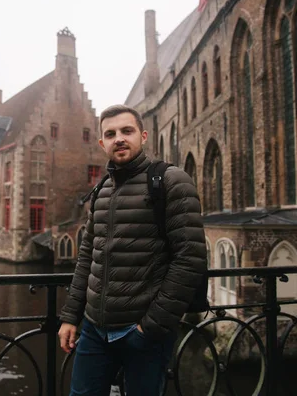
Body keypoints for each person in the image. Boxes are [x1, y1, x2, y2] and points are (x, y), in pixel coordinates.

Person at [58, 104, 207, 396]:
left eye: (127, 131)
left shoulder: (171, 181)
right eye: (110, 134)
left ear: (143, 135)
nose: (119, 139)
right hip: (93, 329)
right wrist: (70, 316)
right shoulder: (101, 192)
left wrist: (150, 328)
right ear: (102, 144)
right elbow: (87, 257)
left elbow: (189, 259)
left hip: (141, 331)